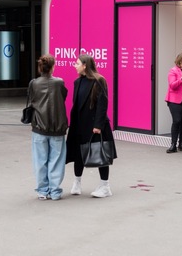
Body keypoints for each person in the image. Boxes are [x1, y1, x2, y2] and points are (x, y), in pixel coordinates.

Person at [65, 54, 116, 199]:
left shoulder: (99, 80)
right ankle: (77, 183)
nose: (75, 65)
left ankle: (105, 186)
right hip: (79, 124)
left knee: (99, 153)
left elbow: (102, 103)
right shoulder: (77, 82)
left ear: (85, 65)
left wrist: (98, 125)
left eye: (77, 63)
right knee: (78, 154)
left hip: (94, 125)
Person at [27, 54, 68, 201]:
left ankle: (42, 191)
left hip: (39, 125)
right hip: (57, 126)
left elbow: (32, 100)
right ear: (52, 67)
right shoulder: (59, 82)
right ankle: (55, 191)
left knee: (40, 160)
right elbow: (63, 96)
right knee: (56, 159)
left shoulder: (34, 83)